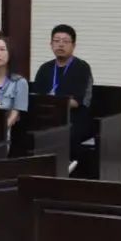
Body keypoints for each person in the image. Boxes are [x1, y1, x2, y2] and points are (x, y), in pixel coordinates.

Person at [31, 25, 95, 156]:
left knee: (65, 134)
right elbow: (36, 96)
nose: (60, 44)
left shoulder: (82, 67)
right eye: (56, 41)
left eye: (65, 41)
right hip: (47, 116)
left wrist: (50, 102)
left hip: (74, 118)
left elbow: (76, 102)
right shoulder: (45, 68)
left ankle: (68, 164)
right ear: (51, 44)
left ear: (73, 45)